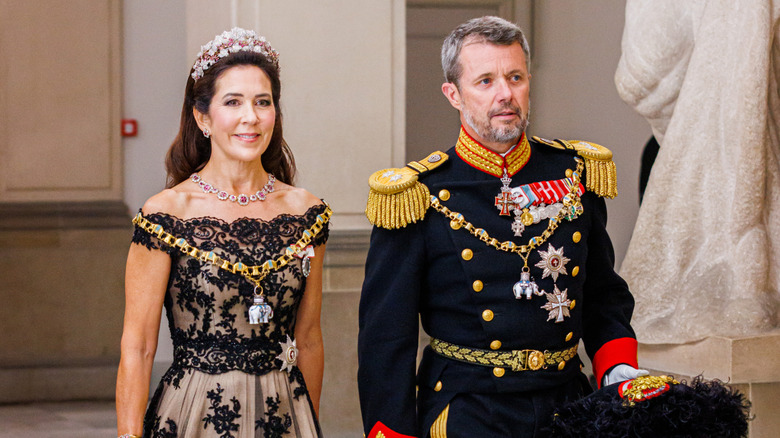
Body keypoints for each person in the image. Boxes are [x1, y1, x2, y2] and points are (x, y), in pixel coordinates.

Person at [358, 16, 645, 437]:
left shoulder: (573, 174)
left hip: (568, 404)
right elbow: (386, 339)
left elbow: (603, 294)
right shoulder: (415, 195)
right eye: (486, 81)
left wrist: (618, 368)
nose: (505, 94)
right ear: (453, 94)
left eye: (515, 77)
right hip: (467, 410)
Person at [116, 28, 331, 438]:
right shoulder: (166, 214)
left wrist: (309, 424)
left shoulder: (307, 212)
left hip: (284, 412)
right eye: (233, 102)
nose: (250, 117)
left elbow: (309, 339)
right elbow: (138, 347)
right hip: (193, 412)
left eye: (262, 102)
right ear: (203, 118)